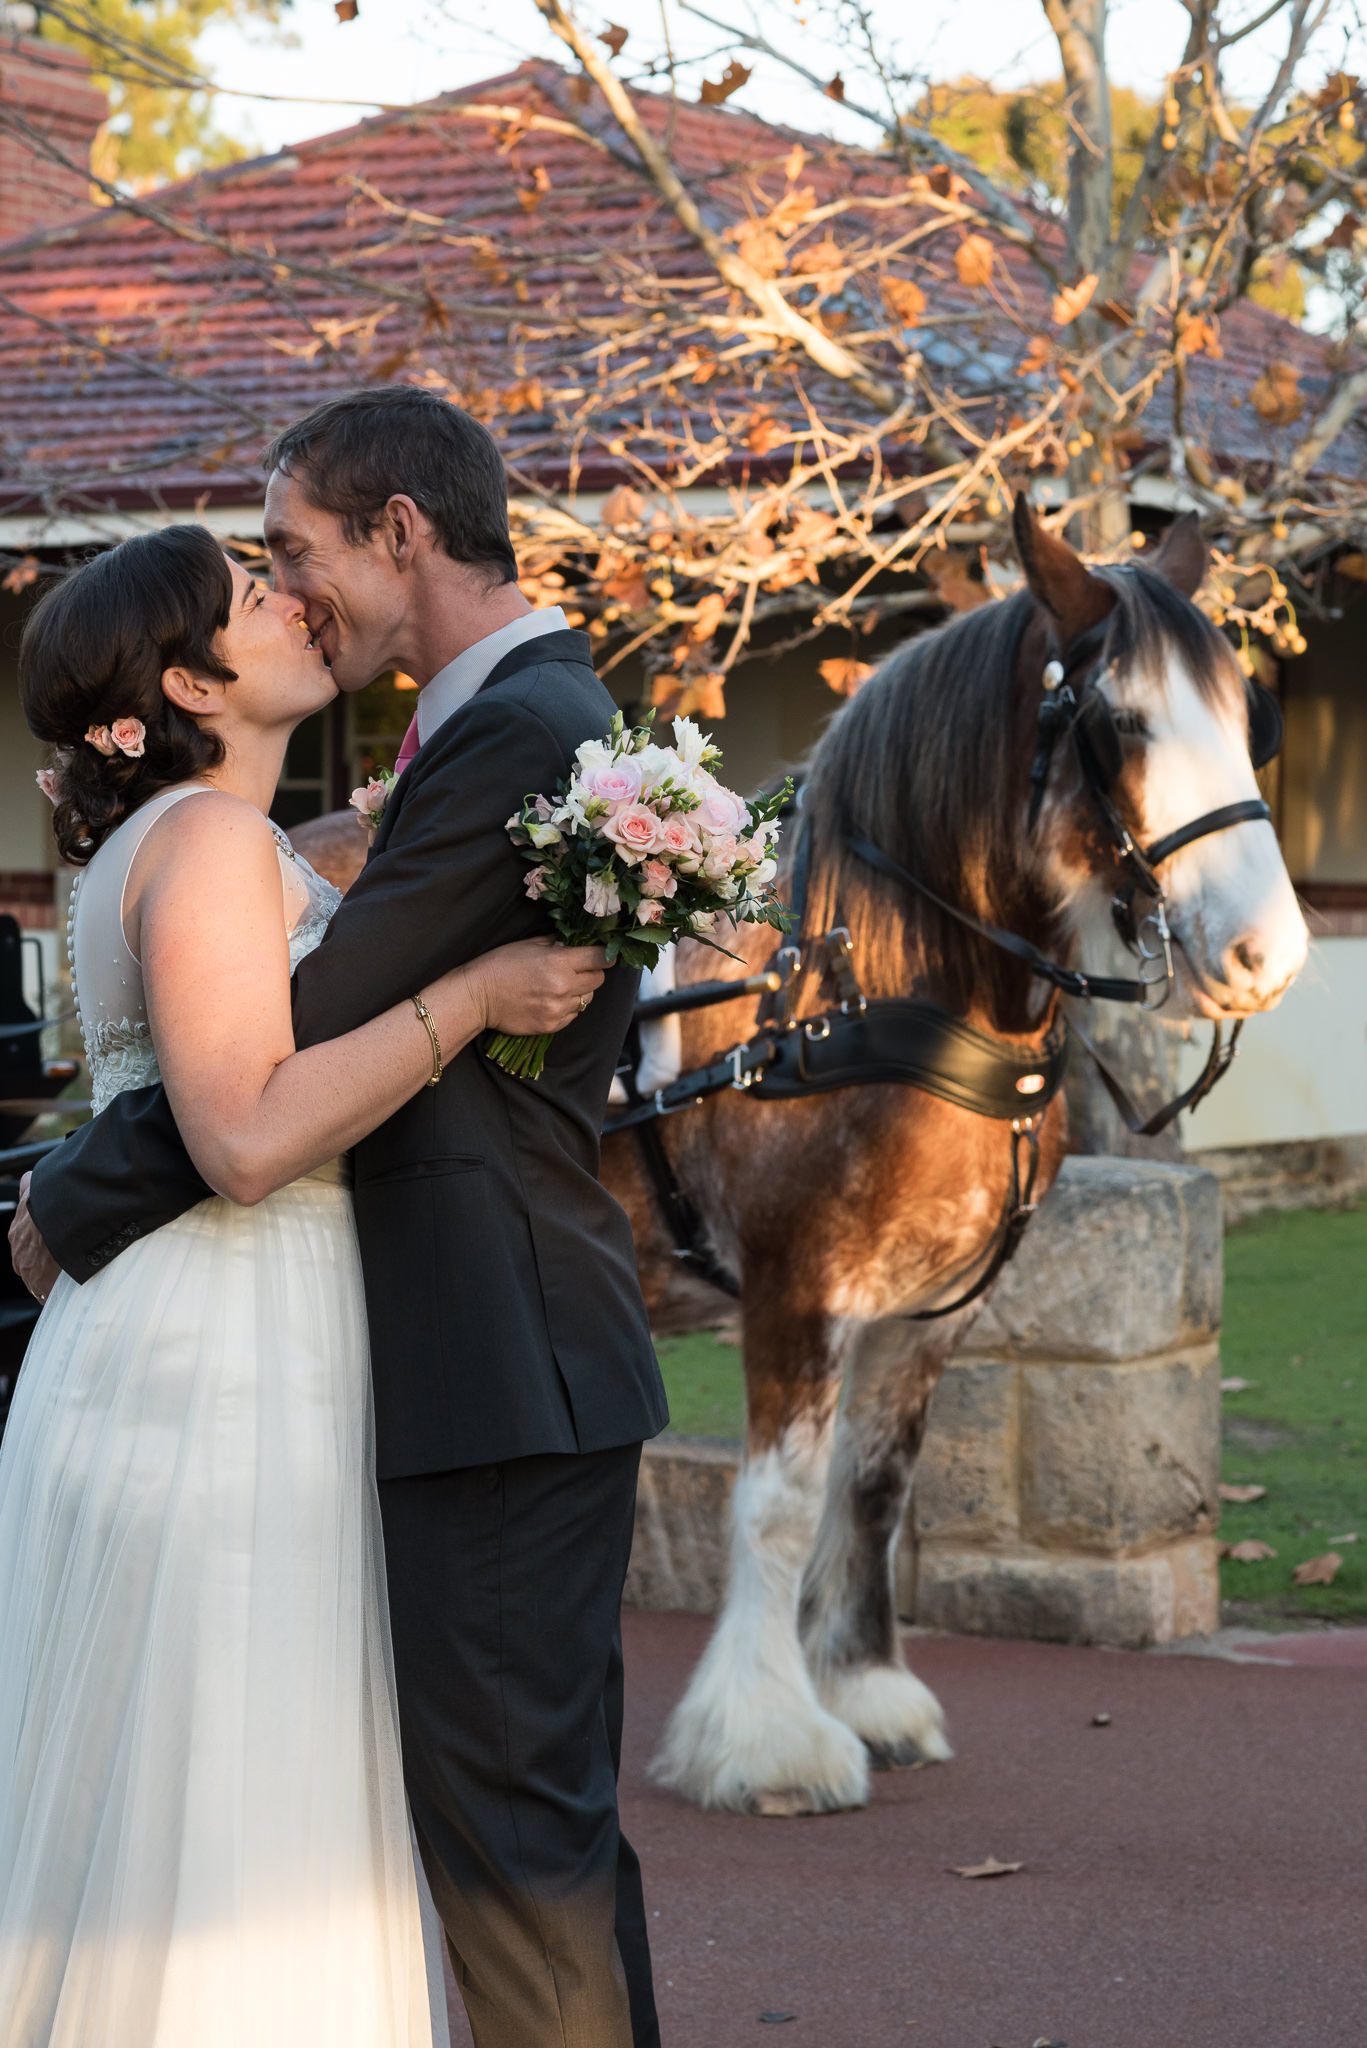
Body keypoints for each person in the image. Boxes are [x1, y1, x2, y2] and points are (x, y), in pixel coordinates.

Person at [9, 390, 668, 2048]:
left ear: (400, 535)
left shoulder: (505, 733)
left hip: (453, 1345)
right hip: (269, 1347)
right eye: (252, 589)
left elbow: (308, 1007)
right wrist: (471, 991)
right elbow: (278, 1079)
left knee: (458, 1829)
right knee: (274, 1782)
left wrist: (74, 1195)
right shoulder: (263, 819)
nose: (290, 596)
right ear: (180, 686)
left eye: (292, 557)